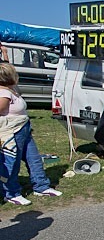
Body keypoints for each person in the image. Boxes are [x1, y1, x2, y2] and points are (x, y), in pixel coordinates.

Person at [0, 63, 63, 205]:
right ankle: (11, 193)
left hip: (24, 130)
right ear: (8, 77)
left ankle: (41, 186)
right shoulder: (3, 93)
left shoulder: (12, 89)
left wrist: (4, 52)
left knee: (34, 159)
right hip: (12, 132)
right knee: (12, 164)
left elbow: (6, 66)